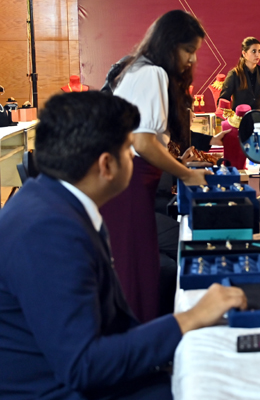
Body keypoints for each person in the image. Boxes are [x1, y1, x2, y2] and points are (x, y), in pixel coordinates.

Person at [0, 92, 246, 400]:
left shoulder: (50, 201)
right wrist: (190, 317)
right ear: (106, 165)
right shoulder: (48, 232)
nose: (134, 158)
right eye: (130, 150)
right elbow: (83, 365)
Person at [103, 10, 210, 323]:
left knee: (133, 264)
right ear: (170, 44)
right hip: (130, 184)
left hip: (131, 183)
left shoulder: (139, 69)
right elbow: (144, 143)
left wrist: (177, 162)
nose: (191, 60)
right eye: (188, 51)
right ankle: (140, 348)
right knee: (135, 268)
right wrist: (187, 173)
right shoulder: (153, 74)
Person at [218, 37, 260, 120]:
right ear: (244, 53)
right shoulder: (234, 74)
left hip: (259, 118)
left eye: (259, 51)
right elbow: (223, 100)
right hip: (239, 120)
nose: (257, 54)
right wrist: (229, 119)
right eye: (253, 51)